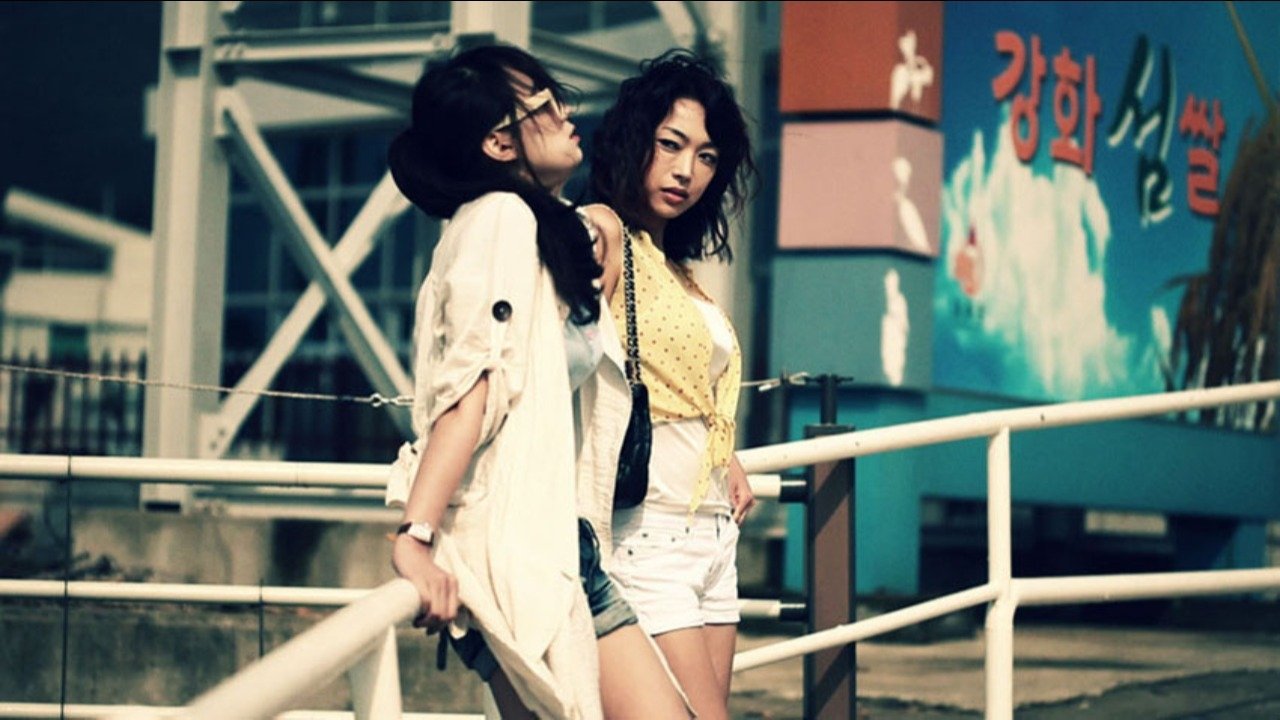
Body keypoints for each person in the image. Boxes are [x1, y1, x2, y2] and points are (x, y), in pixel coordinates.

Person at [384, 44, 688, 719]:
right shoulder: (498, 219)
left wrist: (602, 220)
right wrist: (416, 535)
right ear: (498, 142)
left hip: (558, 545)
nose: (566, 112)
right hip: (511, 546)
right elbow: (474, 391)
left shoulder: (533, 225)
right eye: (545, 106)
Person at [584, 49, 759, 720]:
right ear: (637, 140)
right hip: (648, 534)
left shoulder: (677, 267)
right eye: (671, 145)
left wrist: (727, 456)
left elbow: (679, 387)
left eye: (708, 157)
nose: (688, 170)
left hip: (715, 536)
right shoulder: (604, 232)